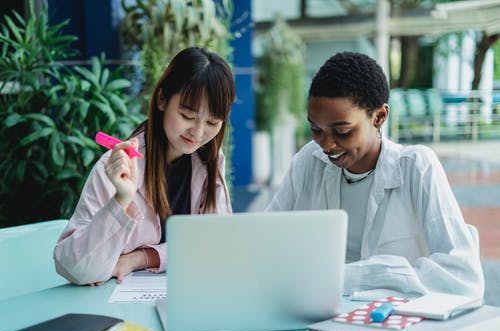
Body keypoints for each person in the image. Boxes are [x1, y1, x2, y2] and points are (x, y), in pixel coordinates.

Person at [266, 51, 484, 300]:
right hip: (318, 310)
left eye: (342, 131)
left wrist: (363, 275)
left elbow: (463, 276)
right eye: (316, 129)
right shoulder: (309, 162)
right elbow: (267, 241)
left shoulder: (416, 167)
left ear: (379, 116)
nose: (326, 144)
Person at [54, 47, 236, 286]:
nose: (199, 133)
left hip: (187, 295)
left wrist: (141, 258)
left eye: (212, 122)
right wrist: (121, 200)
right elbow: (75, 268)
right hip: (117, 305)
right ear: (162, 99)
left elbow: (217, 245)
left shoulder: (209, 159)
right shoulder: (118, 166)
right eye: (187, 116)